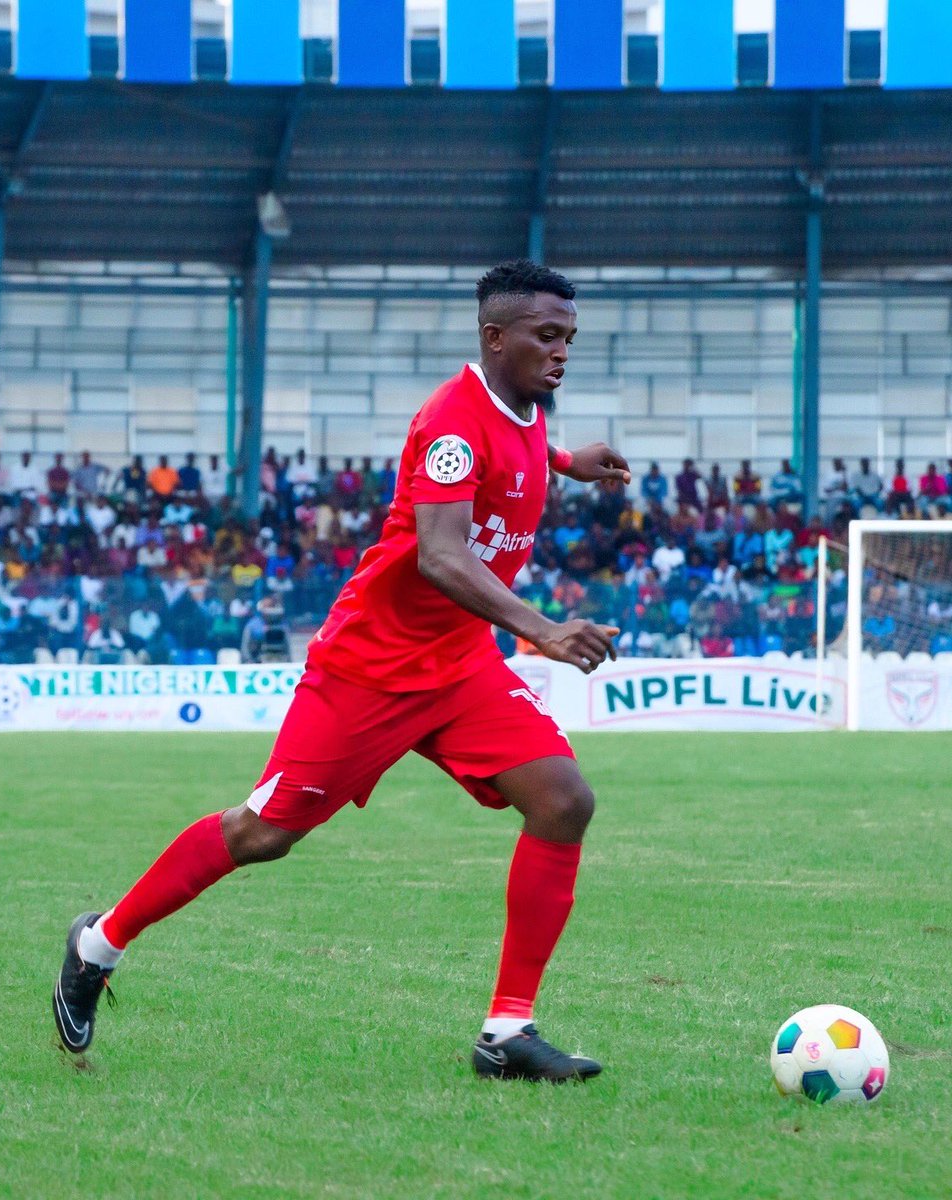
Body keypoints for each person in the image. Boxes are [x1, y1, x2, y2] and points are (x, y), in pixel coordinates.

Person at [53, 259, 631, 1084]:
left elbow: (522, 452)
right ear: (494, 337)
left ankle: (507, 1033)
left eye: (569, 337)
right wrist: (542, 630)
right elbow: (440, 555)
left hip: (458, 664)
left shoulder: (526, 407)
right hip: (371, 668)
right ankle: (97, 942)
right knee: (265, 833)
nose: (563, 352)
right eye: (548, 336)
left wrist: (570, 462)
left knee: (564, 800)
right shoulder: (453, 424)